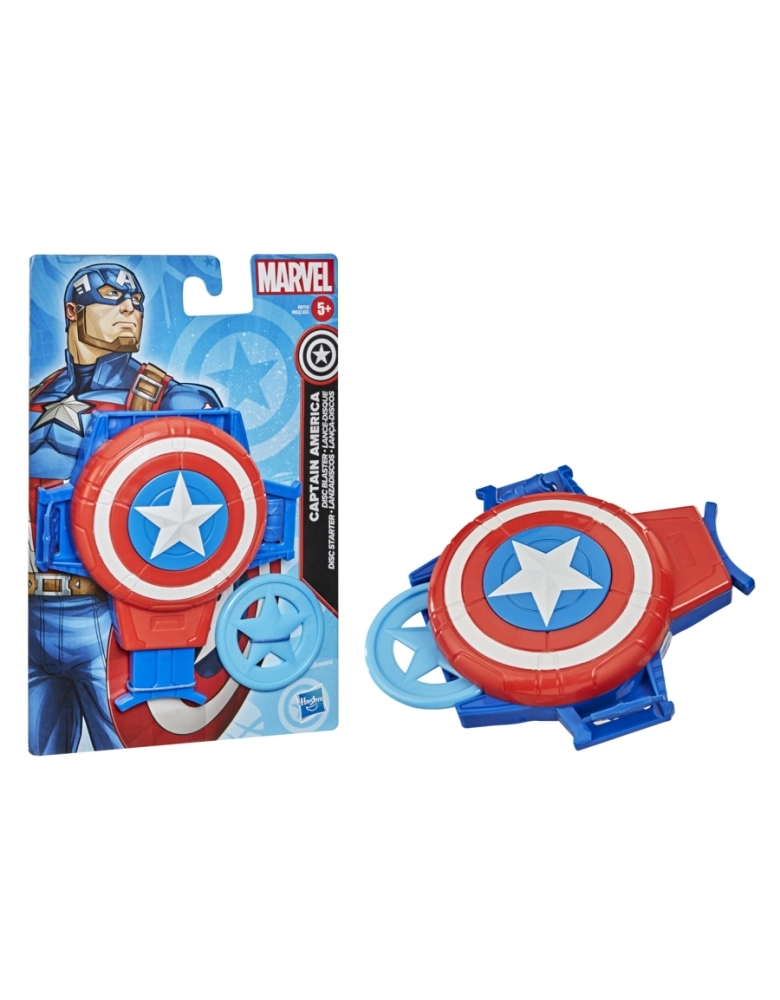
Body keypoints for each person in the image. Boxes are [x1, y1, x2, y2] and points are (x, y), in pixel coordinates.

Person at [29, 263, 221, 755]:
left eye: (136, 301)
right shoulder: (30, 399)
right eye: (113, 297)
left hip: (116, 620)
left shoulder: (175, 400)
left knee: (135, 764)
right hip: (26, 616)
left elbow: (226, 509)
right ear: (73, 311)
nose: (130, 308)